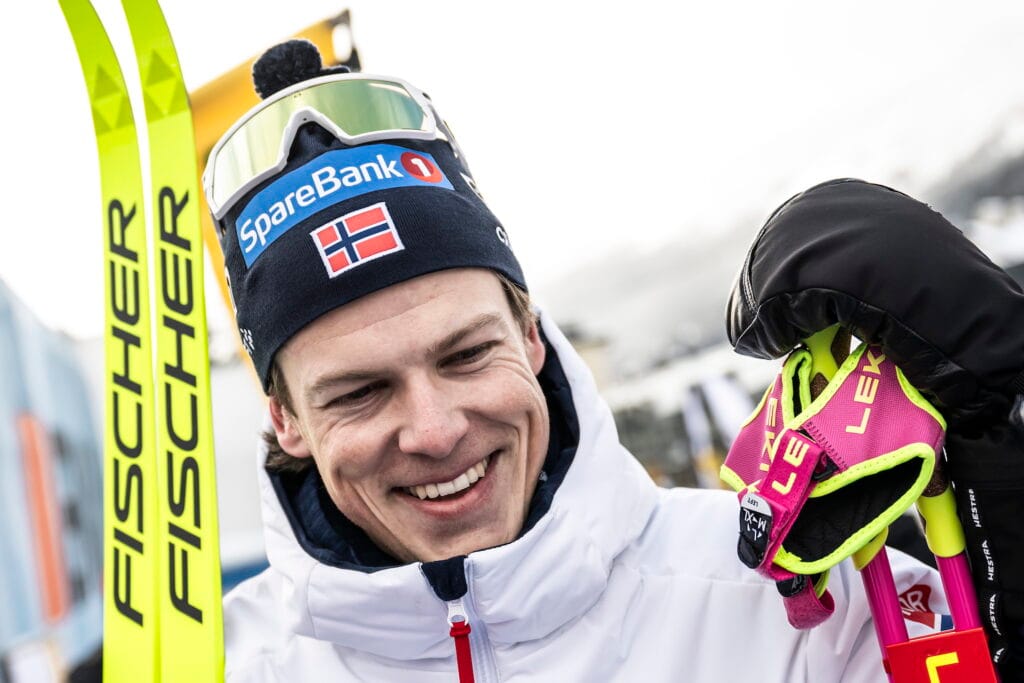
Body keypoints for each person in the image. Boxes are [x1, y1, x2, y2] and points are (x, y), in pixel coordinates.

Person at [207, 41, 951, 681]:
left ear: (530, 335)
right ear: (286, 419)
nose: (434, 431)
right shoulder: (221, 663)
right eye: (359, 393)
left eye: (466, 354)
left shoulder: (801, 601)